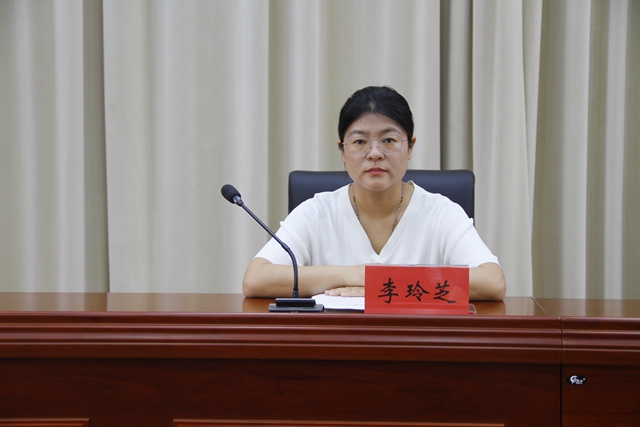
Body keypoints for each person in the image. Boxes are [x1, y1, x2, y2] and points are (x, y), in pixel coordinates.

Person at [243, 86, 506, 301]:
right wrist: (357, 275)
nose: (375, 153)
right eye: (359, 142)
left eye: (389, 140)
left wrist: (383, 283)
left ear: (410, 147)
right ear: (342, 151)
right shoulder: (316, 212)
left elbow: (492, 282)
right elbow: (256, 279)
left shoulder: (441, 213)